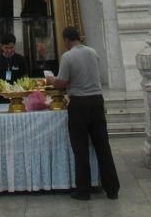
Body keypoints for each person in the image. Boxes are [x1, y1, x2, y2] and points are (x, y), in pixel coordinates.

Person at [46, 26, 120, 201]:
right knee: (103, 146)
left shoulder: (68, 56)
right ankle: (112, 188)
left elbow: (62, 82)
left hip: (79, 103)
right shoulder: (93, 52)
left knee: (80, 149)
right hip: (97, 101)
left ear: (66, 40)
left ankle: (83, 190)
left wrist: (51, 80)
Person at [0, 32, 27, 103]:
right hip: (0, 98)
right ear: (1, 46)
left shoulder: (20, 59)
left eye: (11, 47)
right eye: (6, 48)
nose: (9, 50)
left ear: (14, 45)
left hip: (17, 98)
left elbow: (25, 78)